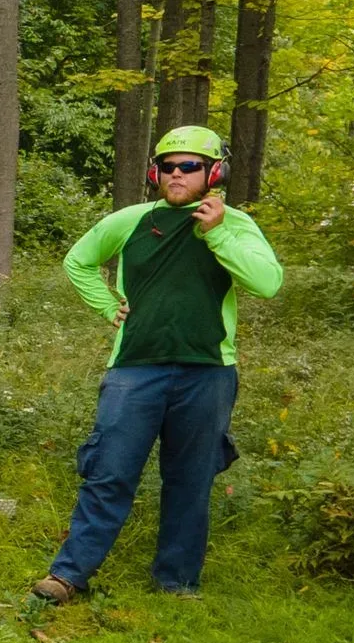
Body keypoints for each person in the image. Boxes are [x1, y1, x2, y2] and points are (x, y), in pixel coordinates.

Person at [33, 126, 281, 603]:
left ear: (215, 173)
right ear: (155, 173)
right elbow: (78, 261)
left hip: (208, 371)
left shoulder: (235, 224)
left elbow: (267, 282)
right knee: (109, 472)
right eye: (168, 166)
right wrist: (107, 306)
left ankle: (177, 583)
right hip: (134, 369)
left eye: (189, 166)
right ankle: (68, 576)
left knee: (190, 482)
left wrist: (216, 233)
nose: (176, 174)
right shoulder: (131, 220)